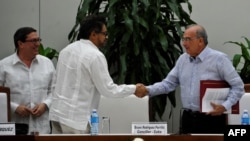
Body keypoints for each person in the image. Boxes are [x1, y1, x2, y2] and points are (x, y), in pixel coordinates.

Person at [49, 14, 146, 134]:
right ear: (93, 34)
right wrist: (134, 88)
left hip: (57, 115)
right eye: (104, 33)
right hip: (76, 121)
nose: (107, 37)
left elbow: (56, 83)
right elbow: (108, 90)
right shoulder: (95, 56)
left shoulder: (66, 51)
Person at [140, 24, 244, 134]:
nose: (184, 43)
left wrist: (224, 106)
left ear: (200, 41)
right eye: (183, 39)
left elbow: (238, 87)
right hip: (188, 119)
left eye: (188, 39)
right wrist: (147, 90)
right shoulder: (182, 60)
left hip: (212, 119)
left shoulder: (219, 59)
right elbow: (168, 84)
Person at [0, 27, 55, 134]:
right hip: (14, 128)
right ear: (20, 44)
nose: (38, 44)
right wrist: (14, 108)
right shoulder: (4, 66)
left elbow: (55, 90)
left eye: (39, 40)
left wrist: (45, 104)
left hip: (42, 129)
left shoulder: (47, 63)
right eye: (33, 41)